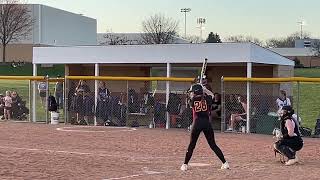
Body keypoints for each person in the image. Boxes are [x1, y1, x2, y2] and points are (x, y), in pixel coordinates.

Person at [180, 84, 229, 171]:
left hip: (197, 123)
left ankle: (185, 164)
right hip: (207, 123)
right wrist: (204, 89)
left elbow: (191, 97)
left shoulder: (192, 100)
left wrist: (200, 89)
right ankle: (225, 163)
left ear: (195, 92)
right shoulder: (208, 99)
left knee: (192, 145)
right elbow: (212, 95)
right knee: (213, 145)